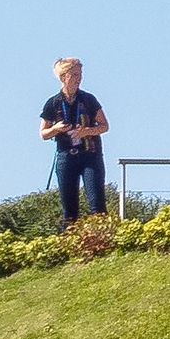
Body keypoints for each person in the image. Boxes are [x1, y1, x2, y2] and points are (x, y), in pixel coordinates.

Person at [38, 57, 109, 228]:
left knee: (97, 203)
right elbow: (43, 134)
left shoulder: (88, 99)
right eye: (75, 74)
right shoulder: (53, 103)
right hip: (66, 157)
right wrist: (56, 129)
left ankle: (103, 241)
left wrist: (86, 131)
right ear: (63, 77)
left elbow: (104, 126)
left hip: (90, 155)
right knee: (69, 210)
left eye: (80, 74)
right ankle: (70, 245)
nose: (79, 78)